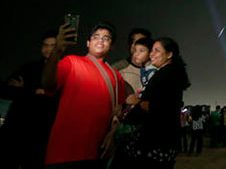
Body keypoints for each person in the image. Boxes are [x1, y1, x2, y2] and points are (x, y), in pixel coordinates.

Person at [42, 22, 126, 168]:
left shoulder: (116, 75)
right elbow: (47, 84)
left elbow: (118, 113)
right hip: (63, 152)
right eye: (96, 37)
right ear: (88, 43)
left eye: (106, 38)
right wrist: (57, 51)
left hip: (97, 152)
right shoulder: (71, 62)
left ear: (112, 46)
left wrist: (112, 135)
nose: (101, 40)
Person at [122, 37, 191, 168]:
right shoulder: (171, 73)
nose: (151, 54)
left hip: (155, 141)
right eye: (151, 50)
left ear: (169, 54)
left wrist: (136, 101)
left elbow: (158, 108)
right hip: (162, 140)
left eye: (156, 50)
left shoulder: (167, 75)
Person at [0, 30, 59, 169]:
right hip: (15, 129)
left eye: (53, 45)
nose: (48, 49)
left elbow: (58, 100)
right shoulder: (29, 68)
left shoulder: (63, 70)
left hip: (40, 134)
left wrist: (25, 90)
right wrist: (34, 92)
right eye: (45, 45)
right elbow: (5, 90)